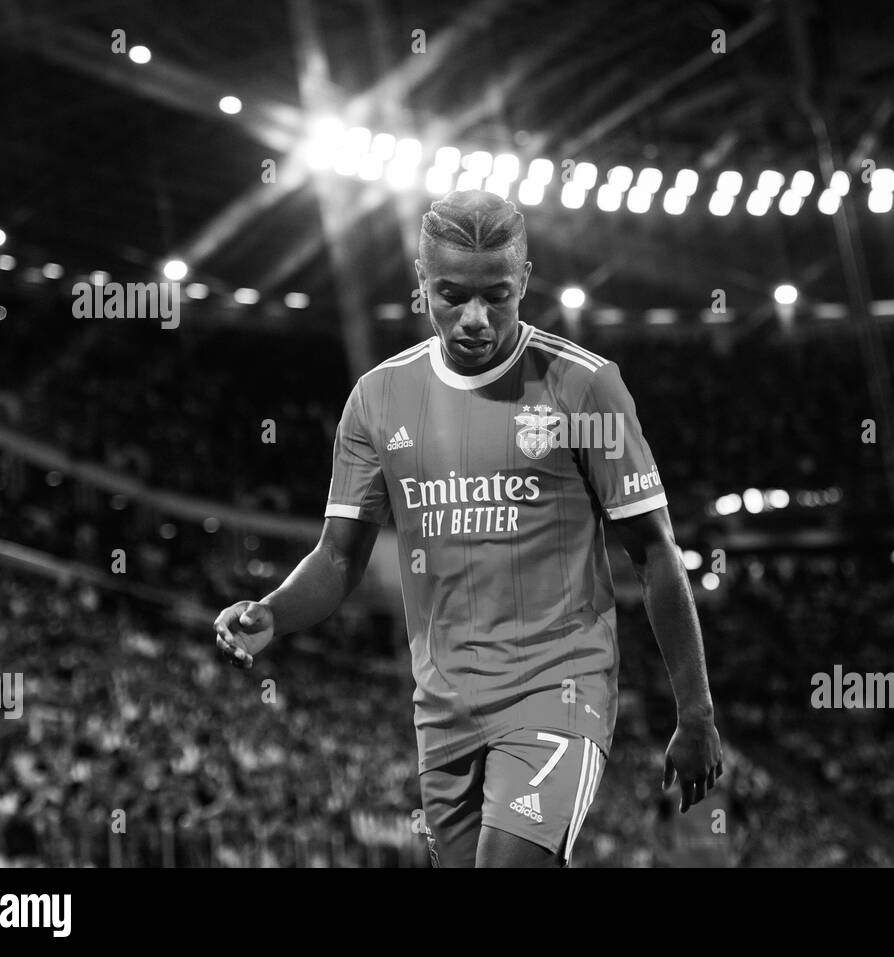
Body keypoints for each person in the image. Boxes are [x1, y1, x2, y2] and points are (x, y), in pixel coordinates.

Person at [214, 189, 722, 867]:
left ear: (525, 281)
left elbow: (655, 552)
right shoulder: (377, 398)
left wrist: (696, 710)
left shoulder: (584, 387)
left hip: (558, 691)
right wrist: (273, 613)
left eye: (497, 295)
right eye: (452, 295)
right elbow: (337, 558)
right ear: (422, 283)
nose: (475, 318)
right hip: (443, 713)